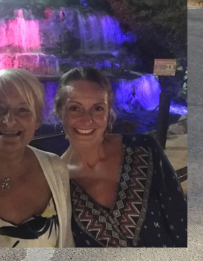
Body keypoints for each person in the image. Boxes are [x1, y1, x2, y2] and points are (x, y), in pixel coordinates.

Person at [55, 67, 187, 247]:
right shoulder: (55, 181)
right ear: (59, 111)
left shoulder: (144, 148)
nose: (87, 119)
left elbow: (181, 221)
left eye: (98, 108)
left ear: (109, 111)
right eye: (75, 108)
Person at [0, 69, 74, 247]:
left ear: (37, 121)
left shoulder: (55, 168)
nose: (9, 121)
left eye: (23, 110)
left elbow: (66, 244)